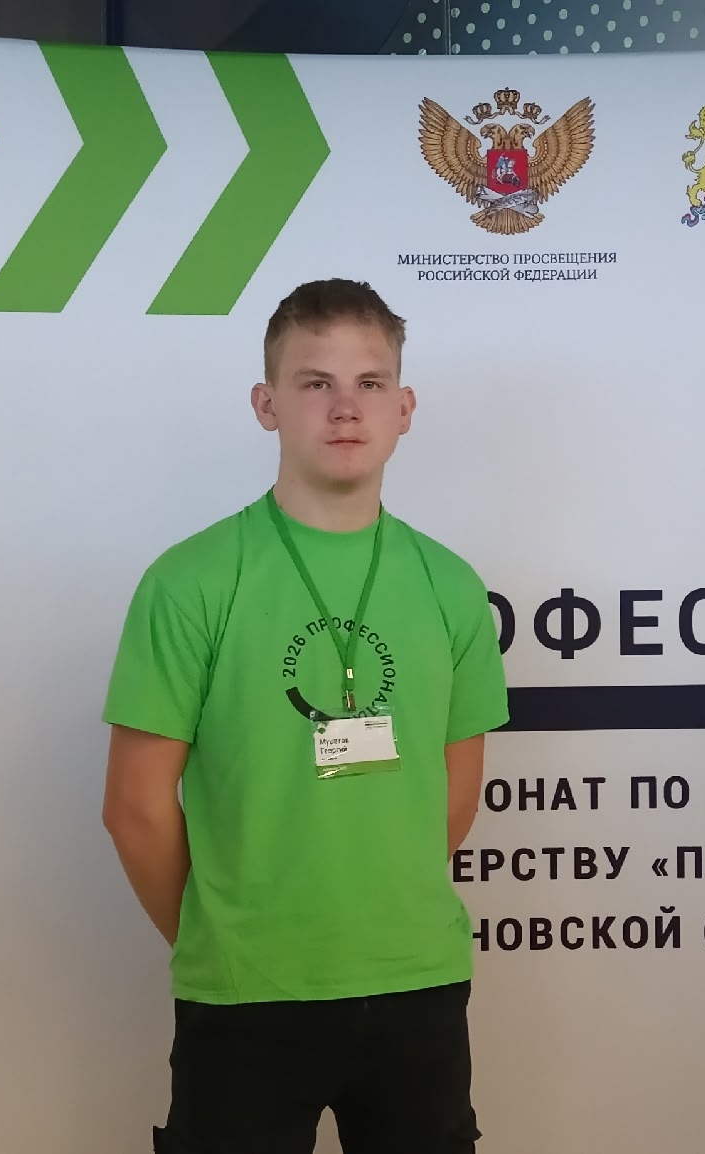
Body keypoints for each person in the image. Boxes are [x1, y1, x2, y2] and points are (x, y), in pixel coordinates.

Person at [101, 279, 508, 1154]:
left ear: (404, 408)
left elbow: (454, 792)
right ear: (267, 404)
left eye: (370, 383)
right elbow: (134, 807)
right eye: (315, 382)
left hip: (418, 986)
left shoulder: (450, 586)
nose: (345, 407)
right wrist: (223, 935)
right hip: (245, 999)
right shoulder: (190, 581)